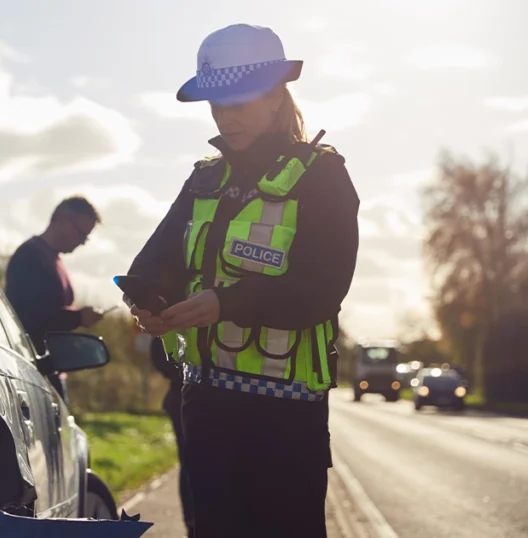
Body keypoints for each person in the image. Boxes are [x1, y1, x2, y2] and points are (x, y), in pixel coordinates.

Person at [126, 24, 359, 537]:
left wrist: (224, 303)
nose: (224, 117)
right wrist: (152, 302)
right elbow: (153, 265)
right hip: (207, 409)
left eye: (238, 101)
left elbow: (322, 288)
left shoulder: (323, 176)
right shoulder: (204, 178)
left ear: (276, 95)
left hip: (288, 419)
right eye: (215, 104)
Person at [5, 197, 105, 395]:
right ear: (62, 219)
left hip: (51, 372)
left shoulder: (53, 259)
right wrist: (79, 317)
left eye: (85, 238)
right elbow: (29, 316)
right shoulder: (29, 256)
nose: (82, 242)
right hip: (33, 373)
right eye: (81, 234)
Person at [149, 337, 195, 536]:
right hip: (184, 395)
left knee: (191, 462)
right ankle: (194, 524)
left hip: (185, 394)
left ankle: (194, 524)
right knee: (192, 462)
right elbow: (158, 345)